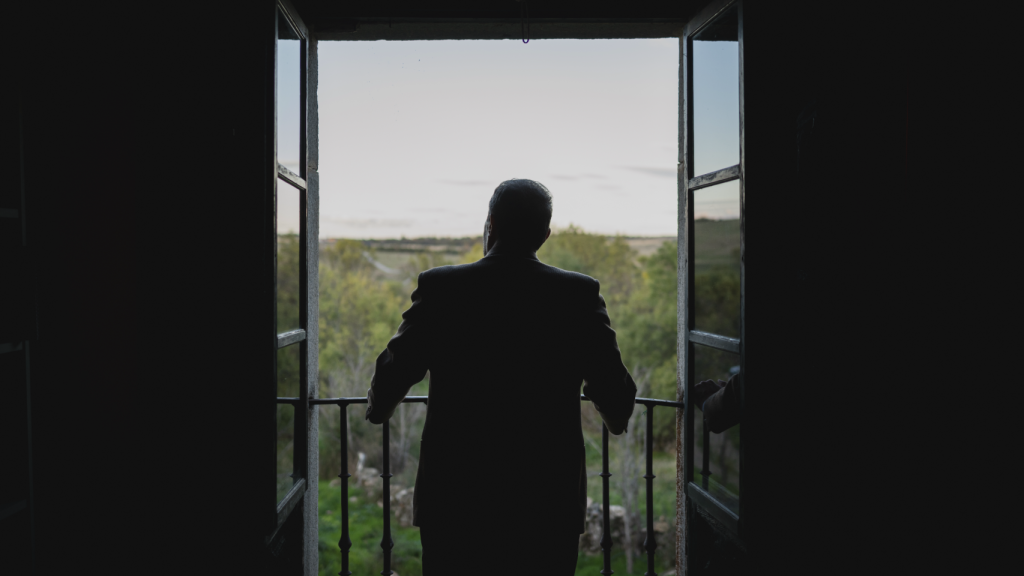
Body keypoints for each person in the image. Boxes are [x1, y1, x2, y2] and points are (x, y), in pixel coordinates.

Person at [364, 179, 638, 576]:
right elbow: (617, 399)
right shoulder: (577, 295)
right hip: (547, 502)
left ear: (489, 223)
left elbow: (393, 374)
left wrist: (378, 408)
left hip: (457, 499)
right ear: (544, 234)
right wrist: (613, 418)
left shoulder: (442, 288)